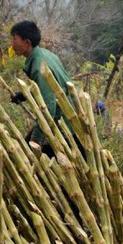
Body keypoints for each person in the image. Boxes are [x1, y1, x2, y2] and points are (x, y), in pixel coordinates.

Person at [9, 21, 72, 157]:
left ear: (27, 42)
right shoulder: (46, 54)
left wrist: (36, 138)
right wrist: (24, 95)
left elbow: (48, 107)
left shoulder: (39, 67)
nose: (12, 44)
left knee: (29, 156)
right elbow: (51, 88)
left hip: (63, 125)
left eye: (15, 39)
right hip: (68, 118)